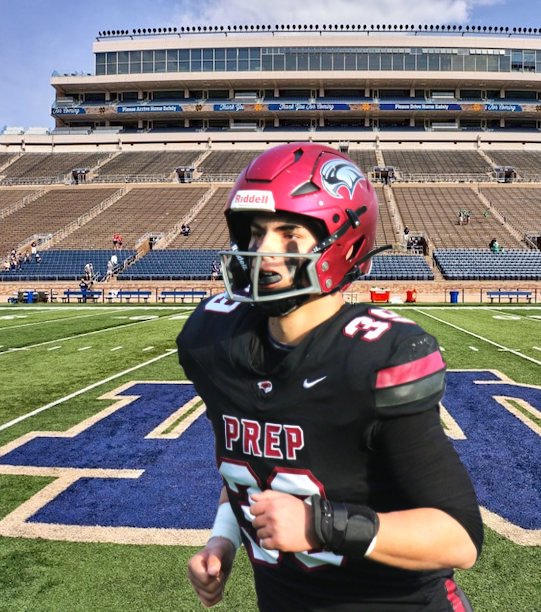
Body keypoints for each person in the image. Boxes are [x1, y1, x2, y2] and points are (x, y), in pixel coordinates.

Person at [177, 143, 483, 612]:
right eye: (256, 234)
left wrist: (323, 525)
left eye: (288, 235)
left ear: (341, 243)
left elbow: (458, 537)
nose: (265, 252)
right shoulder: (217, 341)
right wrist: (223, 540)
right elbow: (251, 472)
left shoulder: (374, 356)